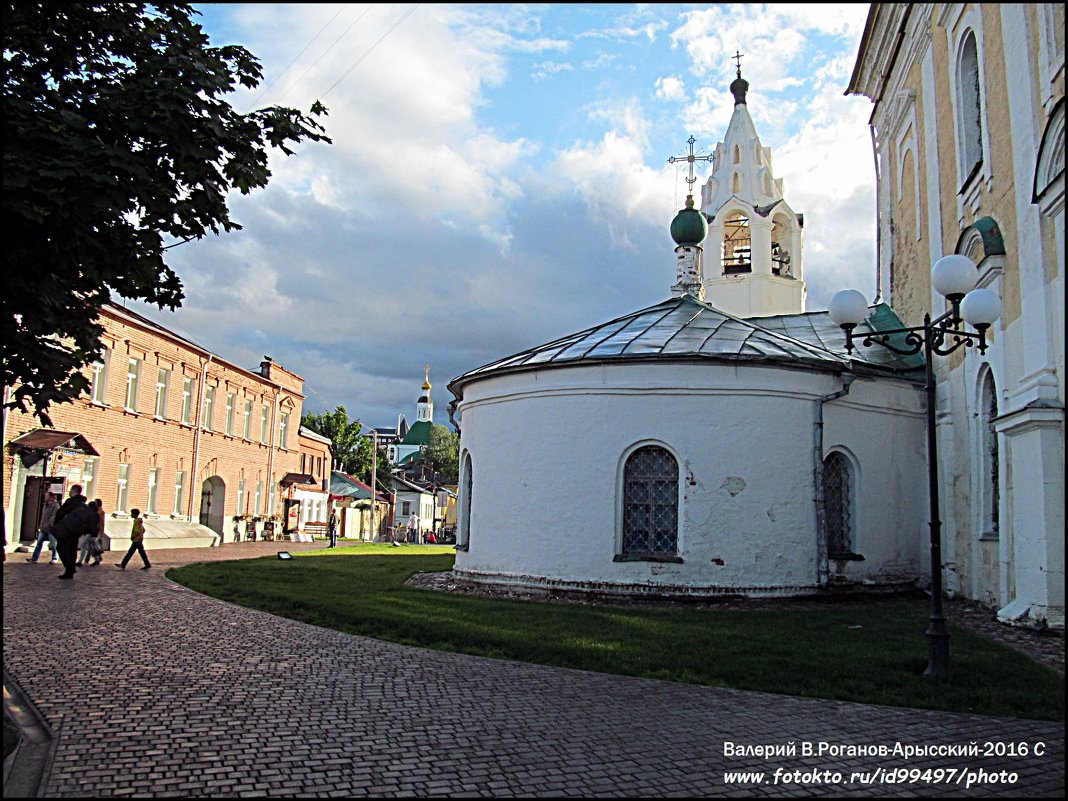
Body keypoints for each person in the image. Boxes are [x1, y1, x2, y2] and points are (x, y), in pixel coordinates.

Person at [51, 485, 99, 579]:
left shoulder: (71, 502)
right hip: (76, 531)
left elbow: (60, 513)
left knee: (61, 547)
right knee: (72, 550)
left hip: (66, 529)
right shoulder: (82, 504)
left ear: (73, 491)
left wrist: (56, 525)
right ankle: (71, 569)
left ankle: (69, 568)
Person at [26, 492, 60, 563]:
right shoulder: (45, 505)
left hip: (51, 528)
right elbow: (44, 516)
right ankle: (34, 558)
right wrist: (41, 525)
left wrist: (50, 524)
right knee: (39, 543)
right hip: (43, 527)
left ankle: (55, 558)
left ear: (51, 497)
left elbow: (54, 516)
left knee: (53, 544)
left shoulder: (55, 506)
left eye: (46, 496)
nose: (45, 498)